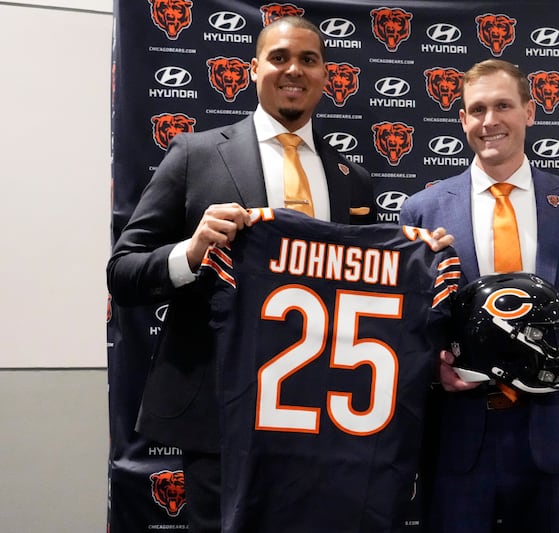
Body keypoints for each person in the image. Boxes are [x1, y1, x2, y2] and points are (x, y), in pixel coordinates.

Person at [107, 16, 450, 532]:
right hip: (223, 415)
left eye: (309, 60)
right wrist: (192, 252)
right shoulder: (195, 154)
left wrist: (420, 262)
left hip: (323, 419)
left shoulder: (350, 178)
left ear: (326, 75)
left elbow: (368, 285)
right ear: (253, 69)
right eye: (280, 57)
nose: (294, 70)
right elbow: (122, 273)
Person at [399, 59, 559, 533]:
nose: (489, 121)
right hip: (458, 432)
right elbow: (406, 317)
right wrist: (431, 362)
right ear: (462, 120)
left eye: (502, 105)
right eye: (476, 109)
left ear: (529, 111)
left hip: (550, 432)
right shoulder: (421, 210)